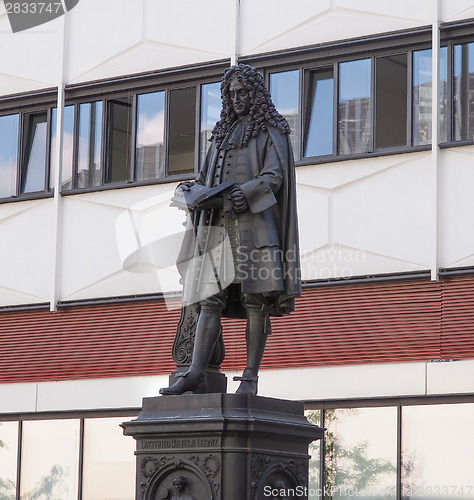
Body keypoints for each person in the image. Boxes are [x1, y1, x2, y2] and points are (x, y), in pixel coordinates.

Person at [160, 63, 300, 396]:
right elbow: (207, 179)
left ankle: (249, 378)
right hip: (217, 226)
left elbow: (274, 178)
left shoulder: (272, 132)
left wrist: (243, 193)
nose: (237, 98)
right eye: (231, 93)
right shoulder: (221, 136)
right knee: (209, 298)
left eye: (243, 92)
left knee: (255, 299)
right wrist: (191, 192)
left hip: (254, 226)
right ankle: (195, 372)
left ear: (256, 94)